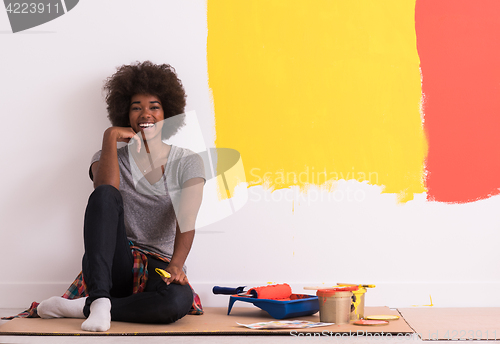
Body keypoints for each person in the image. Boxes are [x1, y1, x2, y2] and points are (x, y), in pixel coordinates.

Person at [36, 61, 205, 332]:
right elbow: (105, 193)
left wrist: (176, 265)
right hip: (116, 262)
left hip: (158, 264)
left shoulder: (187, 161)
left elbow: (187, 218)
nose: (145, 113)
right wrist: (110, 137)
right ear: (125, 113)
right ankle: (101, 297)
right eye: (136, 107)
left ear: (168, 113)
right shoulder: (106, 157)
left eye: (154, 106)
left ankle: (87, 306)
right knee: (104, 194)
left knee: (176, 303)